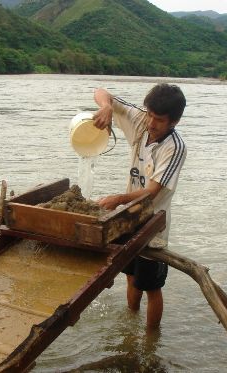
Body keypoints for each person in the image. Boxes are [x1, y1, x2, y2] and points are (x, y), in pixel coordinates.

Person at [92, 83, 187, 329]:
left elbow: (153, 191)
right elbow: (102, 92)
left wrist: (118, 199)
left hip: (152, 227)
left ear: (174, 122)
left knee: (152, 288)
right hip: (129, 220)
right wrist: (106, 107)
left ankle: (151, 339)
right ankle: (131, 325)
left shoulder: (174, 148)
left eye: (159, 120)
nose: (151, 123)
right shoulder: (141, 119)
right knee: (132, 277)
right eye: (150, 114)